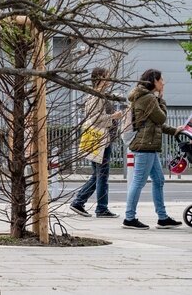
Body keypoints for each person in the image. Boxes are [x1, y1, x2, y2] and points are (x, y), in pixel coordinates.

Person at [122, 69, 182, 230]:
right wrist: (161, 99)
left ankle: (162, 218)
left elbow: (156, 124)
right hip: (145, 145)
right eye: (161, 80)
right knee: (138, 181)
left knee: (159, 180)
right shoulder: (148, 98)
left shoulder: (145, 97)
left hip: (148, 145)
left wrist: (175, 130)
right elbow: (161, 118)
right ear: (154, 81)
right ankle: (129, 218)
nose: (163, 83)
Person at [69, 67, 122, 218]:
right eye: (107, 77)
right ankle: (101, 208)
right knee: (102, 176)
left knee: (98, 175)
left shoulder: (99, 95)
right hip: (101, 141)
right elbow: (95, 119)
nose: (109, 80)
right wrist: (114, 116)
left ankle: (79, 202)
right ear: (100, 78)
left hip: (101, 140)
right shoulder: (96, 96)